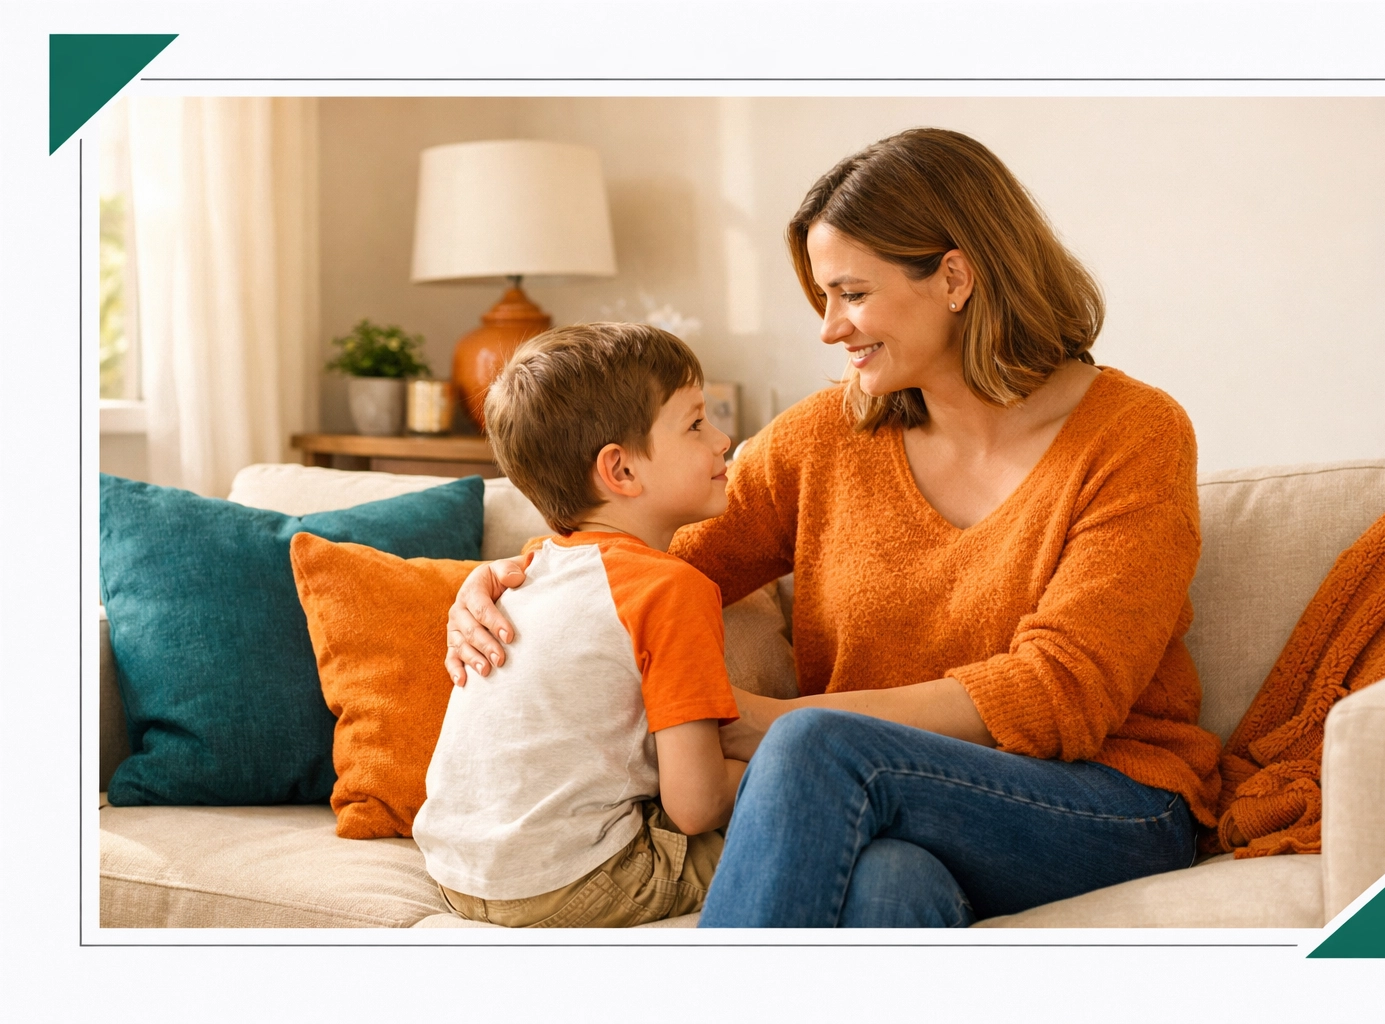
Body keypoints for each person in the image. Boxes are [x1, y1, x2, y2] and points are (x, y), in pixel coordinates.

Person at [446, 128, 1224, 927]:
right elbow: (646, 563)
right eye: (822, 297)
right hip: (888, 800)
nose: (828, 327)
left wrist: (771, 723)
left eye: (851, 293)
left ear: (955, 277)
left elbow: (1065, 689)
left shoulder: (1136, 434)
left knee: (815, 747)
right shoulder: (824, 437)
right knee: (890, 888)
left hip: (1108, 799)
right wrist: (518, 578)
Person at [413, 322, 745, 928]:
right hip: (572, 880)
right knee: (806, 818)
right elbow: (696, 806)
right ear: (619, 471)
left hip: (456, 873)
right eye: (696, 423)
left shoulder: (530, 568)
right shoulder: (669, 589)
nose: (724, 440)